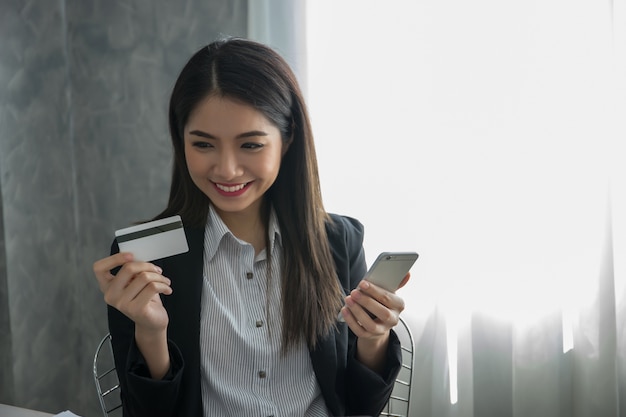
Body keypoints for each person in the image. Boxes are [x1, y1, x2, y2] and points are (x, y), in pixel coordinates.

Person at [93, 37, 409, 417]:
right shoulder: (146, 257)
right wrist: (150, 332)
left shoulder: (338, 242)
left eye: (251, 145)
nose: (227, 169)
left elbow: (361, 408)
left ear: (287, 138)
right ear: (181, 141)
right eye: (204, 145)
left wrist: (373, 339)